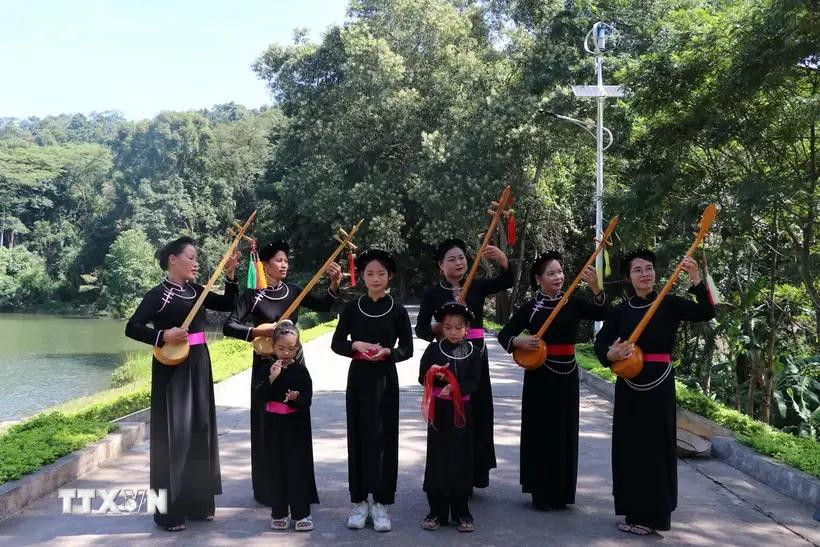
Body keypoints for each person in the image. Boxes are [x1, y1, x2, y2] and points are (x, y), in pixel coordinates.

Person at [594, 249, 715, 536]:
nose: (645, 273)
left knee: (656, 450)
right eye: (638, 270)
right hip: (629, 386)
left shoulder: (668, 303)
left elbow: (707, 311)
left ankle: (655, 516)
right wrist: (609, 354)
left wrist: (696, 278)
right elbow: (601, 344)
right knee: (629, 449)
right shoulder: (621, 311)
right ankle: (634, 512)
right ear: (629, 278)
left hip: (659, 386)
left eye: (649, 268)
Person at [125, 236, 239, 531]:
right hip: (171, 369)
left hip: (199, 364)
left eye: (195, 258)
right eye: (190, 257)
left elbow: (228, 303)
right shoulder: (157, 295)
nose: (195, 263)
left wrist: (229, 275)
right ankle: (168, 511)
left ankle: (198, 504)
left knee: (200, 430)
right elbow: (132, 327)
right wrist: (162, 336)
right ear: (172, 259)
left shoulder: (197, 291)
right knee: (173, 437)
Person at [223, 240, 340, 504]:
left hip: (294, 364)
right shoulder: (253, 295)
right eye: (278, 260)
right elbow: (229, 326)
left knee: (296, 417)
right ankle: (269, 490)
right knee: (267, 424)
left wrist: (333, 286)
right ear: (264, 265)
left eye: (286, 260)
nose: (284, 264)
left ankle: (299, 486)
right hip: (265, 365)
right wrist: (258, 331)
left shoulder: (295, 291)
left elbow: (323, 307)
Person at [497, 250, 608, 510]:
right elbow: (504, 335)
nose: (558, 277)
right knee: (540, 431)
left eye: (560, 272)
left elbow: (603, 313)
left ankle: (562, 492)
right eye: (551, 273)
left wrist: (596, 288)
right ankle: (541, 492)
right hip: (539, 375)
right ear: (539, 279)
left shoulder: (574, 302)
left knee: (564, 431)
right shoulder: (531, 307)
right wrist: (519, 341)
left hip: (567, 374)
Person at [415, 238, 513, 488]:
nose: (459, 263)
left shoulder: (477, 286)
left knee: (477, 410)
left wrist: (502, 260)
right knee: (449, 411)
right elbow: (423, 330)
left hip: (475, 355)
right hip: (445, 356)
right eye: (452, 259)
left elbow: (506, 281)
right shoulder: (432, 293)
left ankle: (475, 474)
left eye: (461, 258)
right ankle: (447, 472)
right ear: (440, 265)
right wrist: (448, 323)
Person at [331, 248, 413, 532]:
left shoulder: (398, 310)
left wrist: (389, 352)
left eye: (381, 274)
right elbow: (337, 343)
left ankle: (381, 503)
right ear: (362, 277)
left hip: (385, 380)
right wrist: (355, 345)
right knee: (358, 437)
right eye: (369, 274)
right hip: (359, 380)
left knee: (384, 440)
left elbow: (408, 349)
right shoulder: (353, 308)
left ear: (389, 276)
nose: (375, 278)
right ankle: (358, 502)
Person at [419, 302, 482, 533]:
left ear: (467, 328)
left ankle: (461, 510)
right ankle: (436, 510)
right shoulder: (433, 350)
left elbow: (475, 382)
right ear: (441, 329)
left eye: (458, 327)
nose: (453, 332)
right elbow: (421, 377)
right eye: (448, 327)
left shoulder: (474, 351)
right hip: (439, 412)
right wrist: (433, 374)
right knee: (438, 457)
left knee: (461, 457)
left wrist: (456, 388)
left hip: (462, 413)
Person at [253, 321, 318, 532]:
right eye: (281, 348)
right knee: (276, 469)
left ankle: (301, 513)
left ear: (298, 347)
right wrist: (271, 378)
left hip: (295, 427)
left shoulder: (301, 371)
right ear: (273, 347)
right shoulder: (266, 369)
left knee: (296, 469)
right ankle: (279, 512)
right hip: (273, 427)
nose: (286, 352)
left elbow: (307, 398)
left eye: (291, 348)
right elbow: (259, 396)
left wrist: (296, 397)